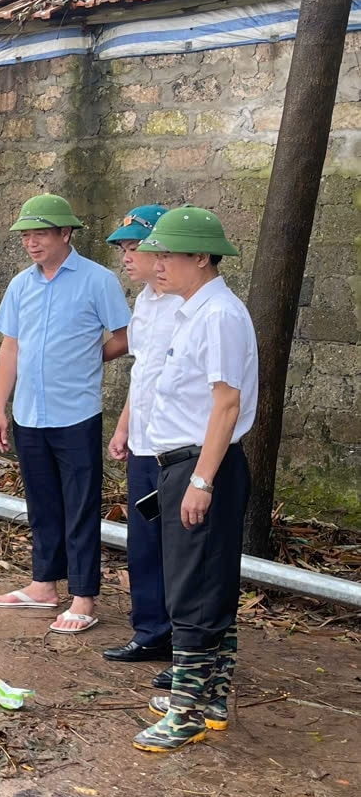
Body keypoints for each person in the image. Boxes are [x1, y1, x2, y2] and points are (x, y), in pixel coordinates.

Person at [132, 206, 257, 752]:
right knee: (206, 582)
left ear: (201, 257)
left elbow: (226, 405)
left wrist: (202, 481)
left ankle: (186, 711)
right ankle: (210, 697)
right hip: (185, 463)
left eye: (168, 255)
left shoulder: (219, 316)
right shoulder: (193, 311)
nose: (157, 265)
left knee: (193, 590)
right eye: (155, 254)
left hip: (204, 465)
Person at [0, 194, 131, 634]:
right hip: (30, 413)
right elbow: (10, 346)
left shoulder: (97, 280)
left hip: (76, 414)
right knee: (42, 504)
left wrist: (88, 358)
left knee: (80, 506)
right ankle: (42, 584)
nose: (32, 243)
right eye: (26, 235)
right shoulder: (20, 286)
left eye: (41, 234)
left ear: (65, 234)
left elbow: (126, 337)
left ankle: (83, 596)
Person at [103, 205, 178, 666]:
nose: (126, 257)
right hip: (145, 443)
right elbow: (143, 372)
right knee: (143, 541)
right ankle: (150, 630)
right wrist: (125, 425)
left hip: (177, 447)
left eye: (135, 247)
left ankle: (185, 642)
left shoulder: (186, 303)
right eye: (124, 249)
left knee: (179, 547)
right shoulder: (147, 300)